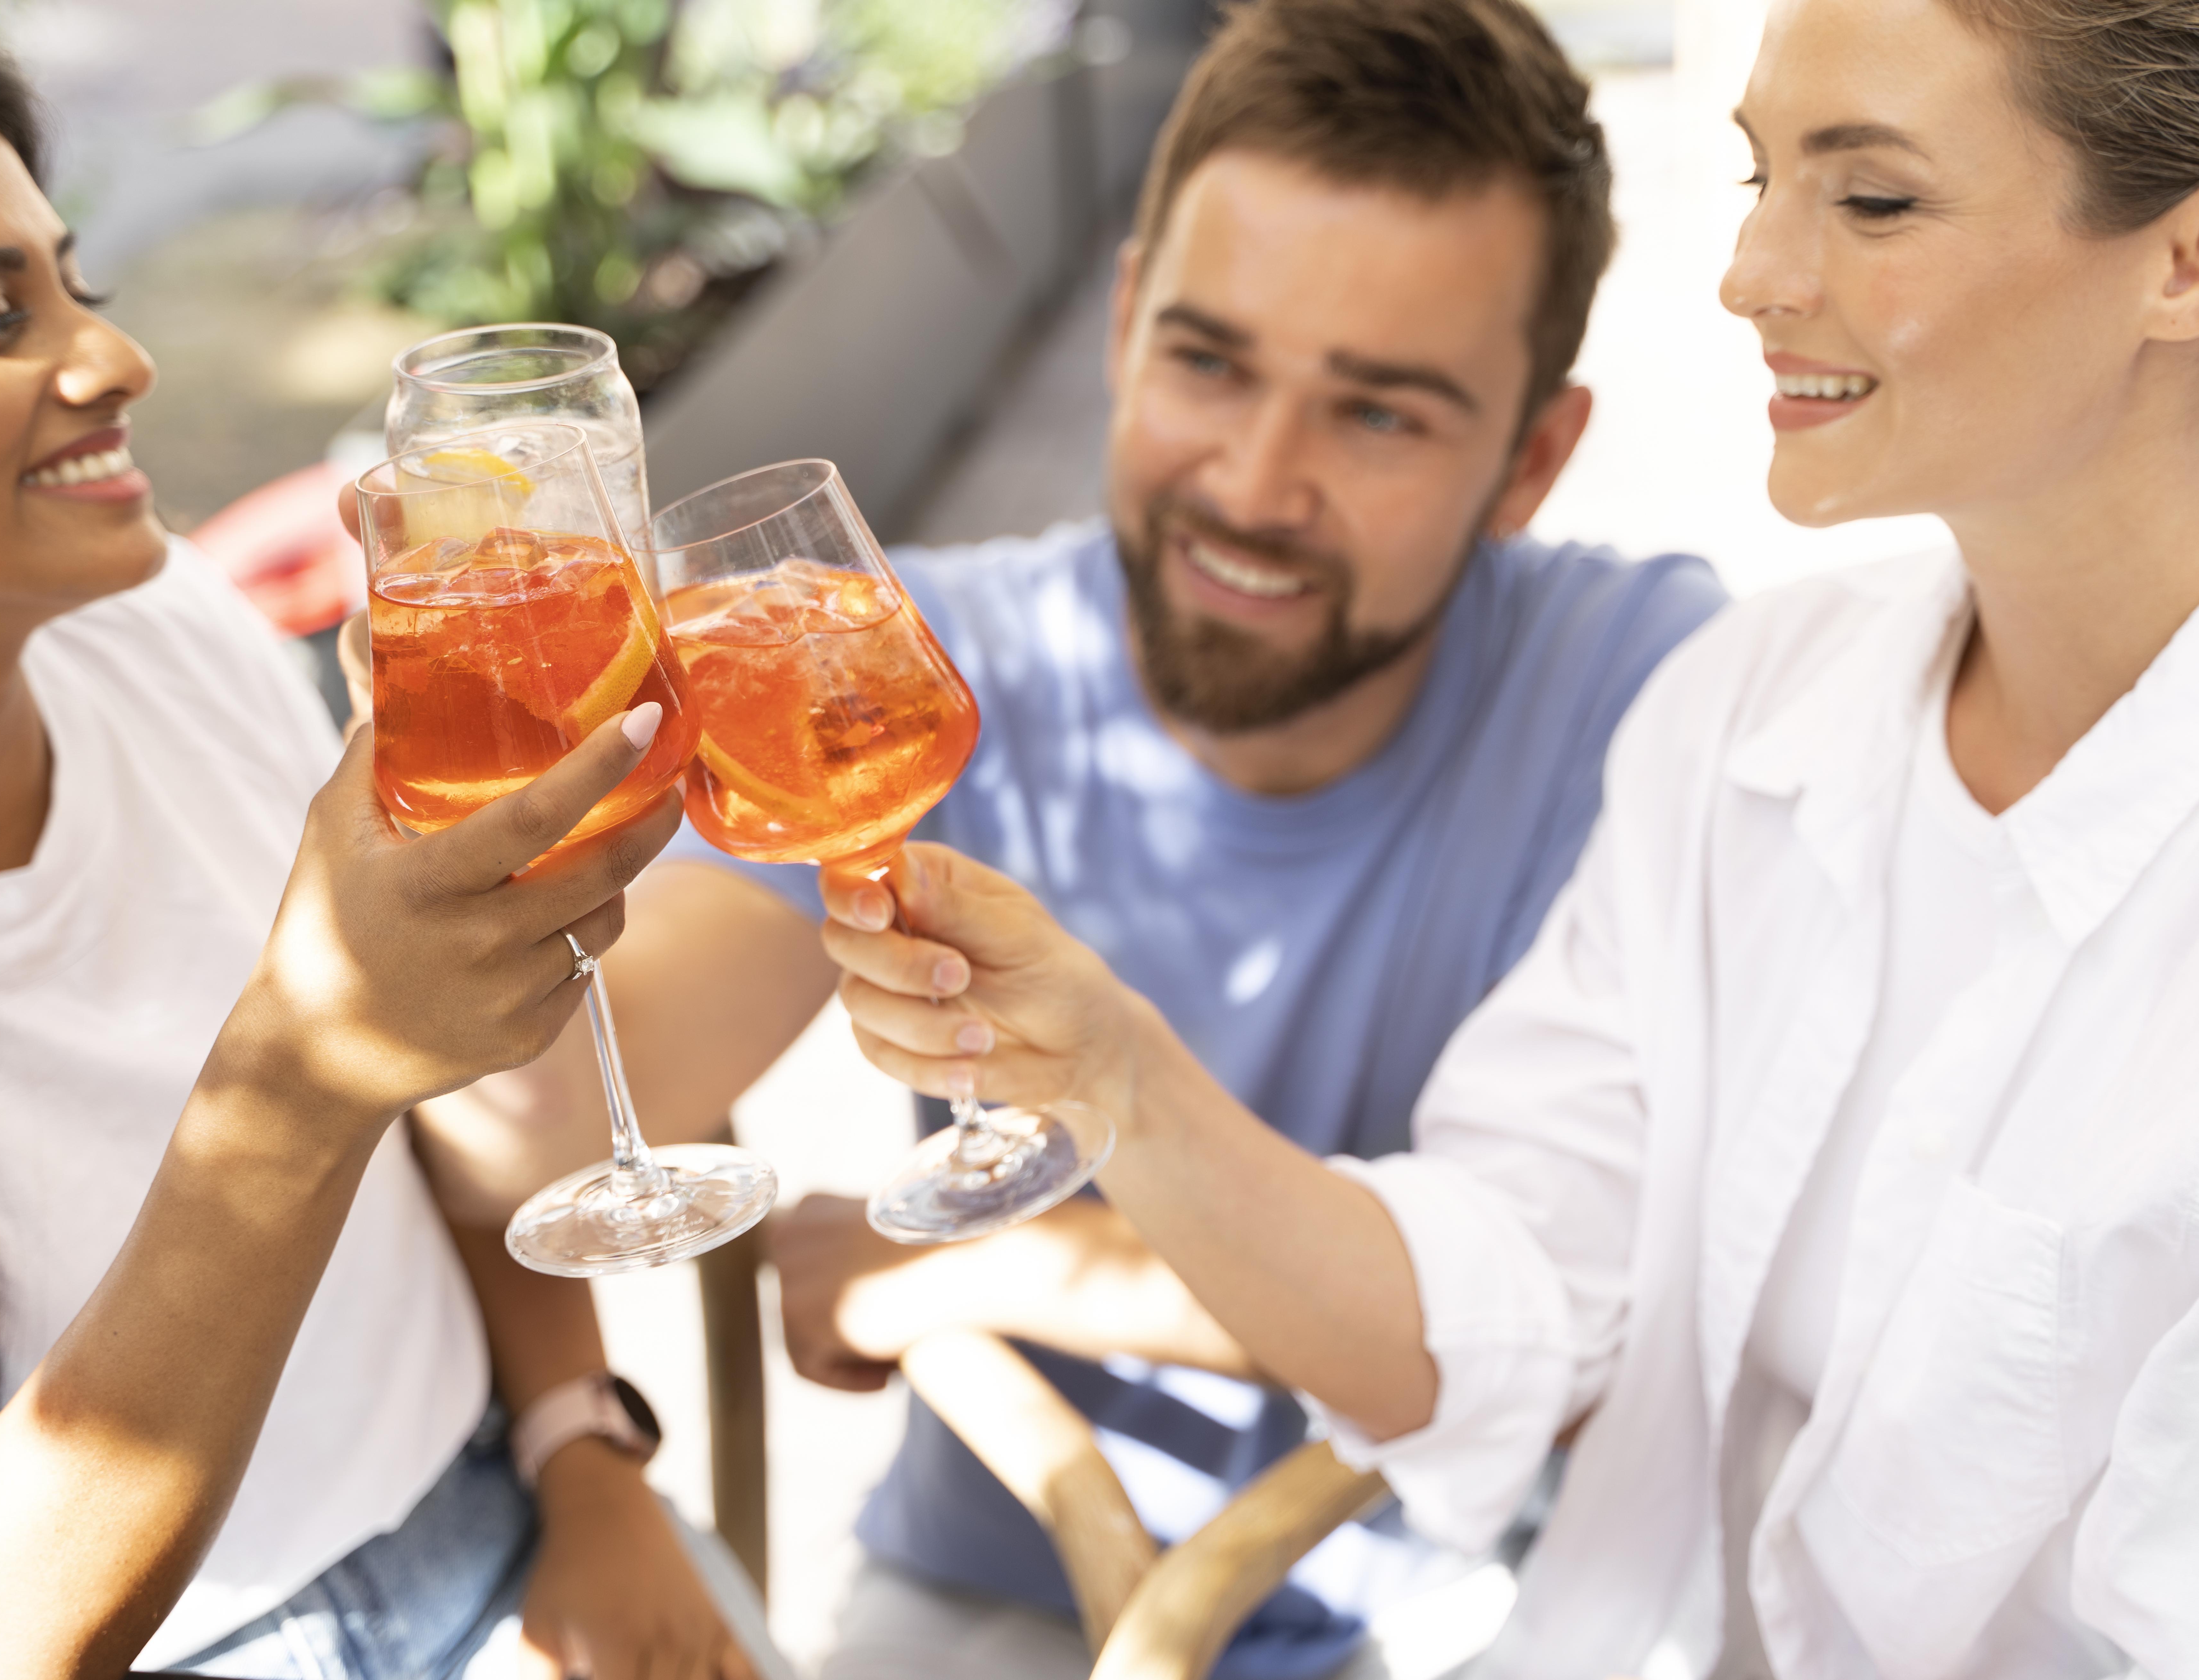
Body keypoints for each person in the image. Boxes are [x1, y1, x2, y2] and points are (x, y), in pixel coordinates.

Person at [819, 0, 2199, 1673]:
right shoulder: (1751, 712)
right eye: (1762, 178)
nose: (1753, 271)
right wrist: (1119, 1076)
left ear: (2181, 262)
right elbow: (1509, 1299)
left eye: (1877, 201)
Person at [415, 1, 1725, 1673]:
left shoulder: (1656, 698)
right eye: (1209, 360)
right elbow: (530, 1131)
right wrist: (506, 806)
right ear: (1121, 328)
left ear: (1534, 457)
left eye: (1380, 413)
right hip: (1002, 1594)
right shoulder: (895, 664)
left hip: (1481, 1602)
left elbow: (1596, 1340)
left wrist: (998, 1264)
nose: (1256, 480)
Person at [0, 33, 774, 1680]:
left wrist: (581, 1446)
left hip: (501, 1525)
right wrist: (313, 1054)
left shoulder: (154, 623)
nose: (115, 359)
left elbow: (435, 1136)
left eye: (74, 284)